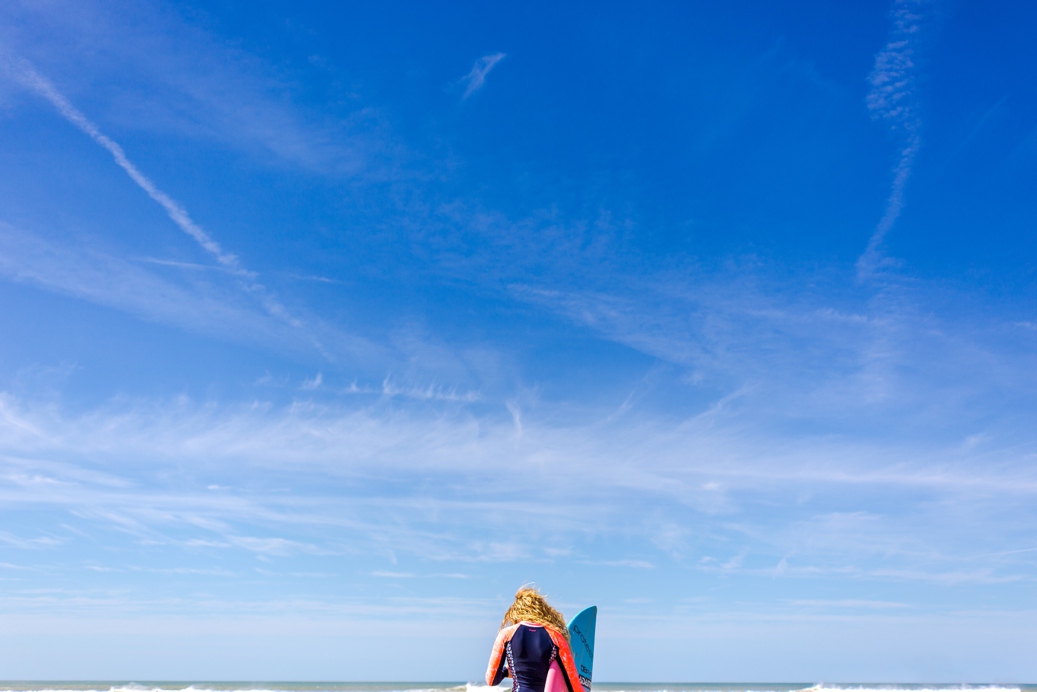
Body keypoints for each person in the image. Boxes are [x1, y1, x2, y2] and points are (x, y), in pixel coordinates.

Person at [485, 586, 583, 692]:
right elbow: (574, 686)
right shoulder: (556, 637)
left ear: (515, 613)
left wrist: (506, 671)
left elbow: (491, 679)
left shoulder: (506, 634)